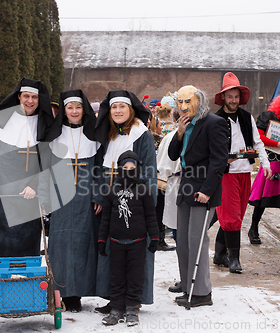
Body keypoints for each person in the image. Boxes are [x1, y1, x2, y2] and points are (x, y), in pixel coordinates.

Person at [94, 90, 156, 314]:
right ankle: (115, 299)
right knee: (113, 253)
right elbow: (101, 169)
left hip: (135, 202)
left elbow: (148, 171)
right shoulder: (108, 134)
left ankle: (134, 299)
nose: (118, 111)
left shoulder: (142, 135)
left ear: (130, 110)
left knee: (136, 256)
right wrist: (101, 196)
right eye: (114, 108)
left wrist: (145, 201)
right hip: (112, 200)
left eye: (122, 107)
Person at [168, 85, 228, 307]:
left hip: (203, 189)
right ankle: (188, 287)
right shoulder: (184, 125)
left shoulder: (214, 123)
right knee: (182, 241)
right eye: (180, 102)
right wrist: (180, 132)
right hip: (186, 187)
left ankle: (202, 293)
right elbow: (174, 154)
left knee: (197, 240)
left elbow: (219, 160)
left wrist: (207, 190)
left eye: (188, 102)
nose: (183, 107)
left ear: (199, 101)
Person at [41, 89, 101, 312]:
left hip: (86, 198)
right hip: (61, 197)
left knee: (84, 243)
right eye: (70, 107)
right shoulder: (54, 136)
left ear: (83, 109)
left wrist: (99, 195)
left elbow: (100, 169)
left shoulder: (94, 135)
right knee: (61, 244)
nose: (74, 111)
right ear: (64, 111)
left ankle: (79, 292)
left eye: (78, 107)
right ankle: (61, 293)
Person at [0, 78, 54, 259]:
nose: (30, 101)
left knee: (27, 245)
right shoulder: (3, 120)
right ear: (19, 97)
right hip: (2, 193)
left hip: (29, 195)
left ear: (39, 100)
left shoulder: (44, 124)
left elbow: (47, 161)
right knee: (0, 245)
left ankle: (27, 284)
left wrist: (35, 185)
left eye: (34, 97)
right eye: (26, 96)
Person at [214, 72, 272, 274]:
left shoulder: (247, 117)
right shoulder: (216, 119)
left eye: (236, 96)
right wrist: (223, 160)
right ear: (223, 97)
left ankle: (219, 253)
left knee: (236, 215)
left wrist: (265, 163)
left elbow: (257, 142)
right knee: (230, 216)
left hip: (245, 171)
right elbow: (210, 149)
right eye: (229, 96)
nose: (233, 100)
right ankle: (234, 259)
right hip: (226, 174)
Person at [98, 151, 158, 327]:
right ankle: (116, 308)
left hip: (137, 244)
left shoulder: (144, 190)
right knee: (117, 278)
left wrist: (154, 237)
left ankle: (132, 308)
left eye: (132, 168)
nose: (129, 171)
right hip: (116, 243)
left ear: (138, 169)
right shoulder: (112, 191)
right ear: (119, 169)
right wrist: (102, 241)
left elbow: (150, 216)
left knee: (135, 277)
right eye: (125, 168)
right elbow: (106, 219)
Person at [248, 88, 280, 244]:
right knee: (261, 198)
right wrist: (278, 144)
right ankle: (253, 228)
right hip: (271, 163)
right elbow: (258, 137)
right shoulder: (268, 116)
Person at [153, 101, 177, 252]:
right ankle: (159, 238)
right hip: (164, 174)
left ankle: (159, 237)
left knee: (160, 207)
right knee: (161, 207)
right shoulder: (170, 133)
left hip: (160, 171)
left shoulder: (161, 129)